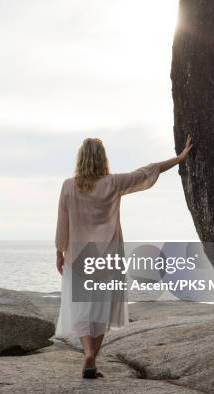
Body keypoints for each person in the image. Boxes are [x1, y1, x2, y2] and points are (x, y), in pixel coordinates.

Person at [54, 136, 193, 379]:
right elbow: (148, 171)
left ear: (81, 158)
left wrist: (59, 251)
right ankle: (92, 359)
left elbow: (62, 223)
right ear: (102, 158)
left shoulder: (68, 185)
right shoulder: (113, 182)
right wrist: (179, 158)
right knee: (102, 307)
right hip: (108, 253)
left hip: (77, 254)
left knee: (81, 308)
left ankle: (87, 353)